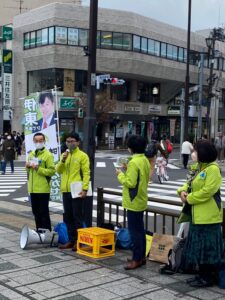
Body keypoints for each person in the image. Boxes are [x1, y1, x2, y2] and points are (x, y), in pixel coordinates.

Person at [177, 139, 223, 287]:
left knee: (208, 249)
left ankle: (208, 277)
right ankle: (201, 275)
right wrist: (182, 191)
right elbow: (188, 182)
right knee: (198, 248)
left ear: (203, 153)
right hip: (197, 215)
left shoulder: (213, 169)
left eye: (195, 151)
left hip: (209, 217)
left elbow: (207, 191)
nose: (193, 153)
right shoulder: (198, 167)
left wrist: (189, 198)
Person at [116, 135, 150, 270]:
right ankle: (141, 256)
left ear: (131, 148)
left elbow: (130, 183)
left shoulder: (134, 162)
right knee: (140, 230)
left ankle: (136, 259)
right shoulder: (144, 160)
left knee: (134, 231)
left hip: (133, 200)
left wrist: (120, 174)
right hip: (141, 198)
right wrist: (127, 169)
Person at [56, 132, 90, 251]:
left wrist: (85, 189)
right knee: (68, 216)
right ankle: (71, 240)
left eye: (72, 141)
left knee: (77, 217)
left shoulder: (82, 156)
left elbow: (86, 173)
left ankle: (79, 242)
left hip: (76, 190)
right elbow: (58, 170)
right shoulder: (64, 155)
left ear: (78, 142)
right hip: (65, 189)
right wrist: (63, 160)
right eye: (68, 141)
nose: (70, 143)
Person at [26, 132, 55, 232]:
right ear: (33, 141)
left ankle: (47, 233)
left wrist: (38, 168)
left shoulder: (48, 155)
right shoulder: (31, 154)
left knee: (43, 212)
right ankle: (39, 232)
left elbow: (51, 171)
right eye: (36, 141)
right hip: (33, 189)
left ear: (44, 141)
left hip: (43, 189)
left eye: (40, 140)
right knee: (36, 212)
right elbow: (29, 172)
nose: (38, 142)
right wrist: (27, 167)